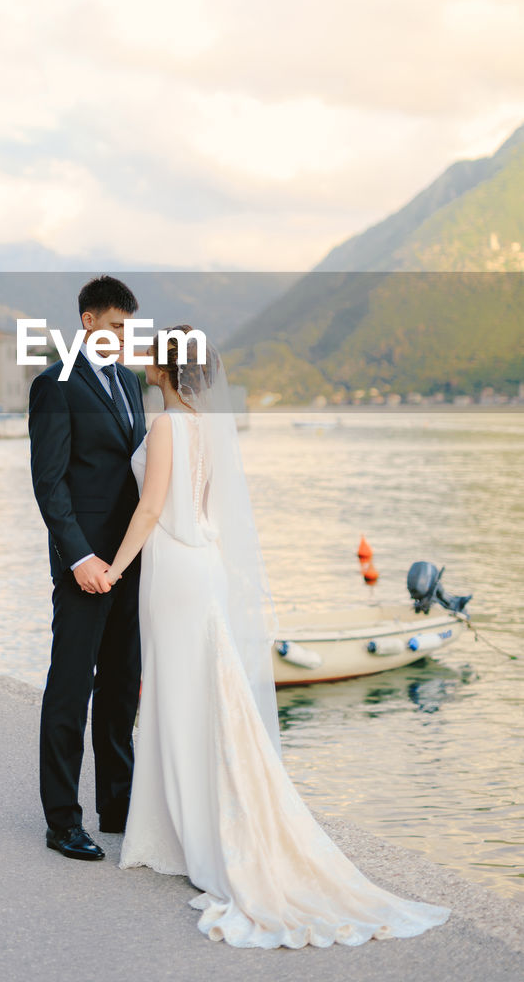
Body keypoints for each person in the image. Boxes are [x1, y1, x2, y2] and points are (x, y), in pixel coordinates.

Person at [103, 326, 452, 948]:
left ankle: (179, 832)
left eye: (153, 353)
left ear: (166, 368)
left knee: (177, 693)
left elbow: (151, 507)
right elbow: (206, 506)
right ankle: (195, 824)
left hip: (174, 569)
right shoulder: (209, 427)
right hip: (203, 562)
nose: (145, 359)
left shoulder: (164, 428)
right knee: (205, 691)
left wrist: (114, 566)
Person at [28, 275, 147, 861]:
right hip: (84, 565)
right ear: (87, 323)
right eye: (115, 327)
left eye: (130, 328)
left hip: (130, 562)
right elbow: (49, 484)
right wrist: (78, 556)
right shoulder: (54, 385)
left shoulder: (130, 384)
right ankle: (62, 819)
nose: (123, 339)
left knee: (123, 689)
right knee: (72, 690)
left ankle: (118, 807)